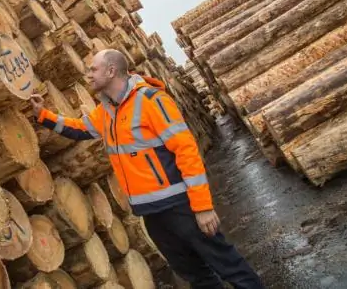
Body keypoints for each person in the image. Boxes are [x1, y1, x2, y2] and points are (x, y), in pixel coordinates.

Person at [30, 49, 264, 289]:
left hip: (182, 207)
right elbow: (79, 129)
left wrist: (202, 206)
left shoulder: (152, 101)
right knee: (196, 276)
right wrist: (43, 115)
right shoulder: (107, 110)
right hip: (152, 214)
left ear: (111, 71)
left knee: (230, 267)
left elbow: (187, 151)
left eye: (93, 69)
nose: (88, 74)